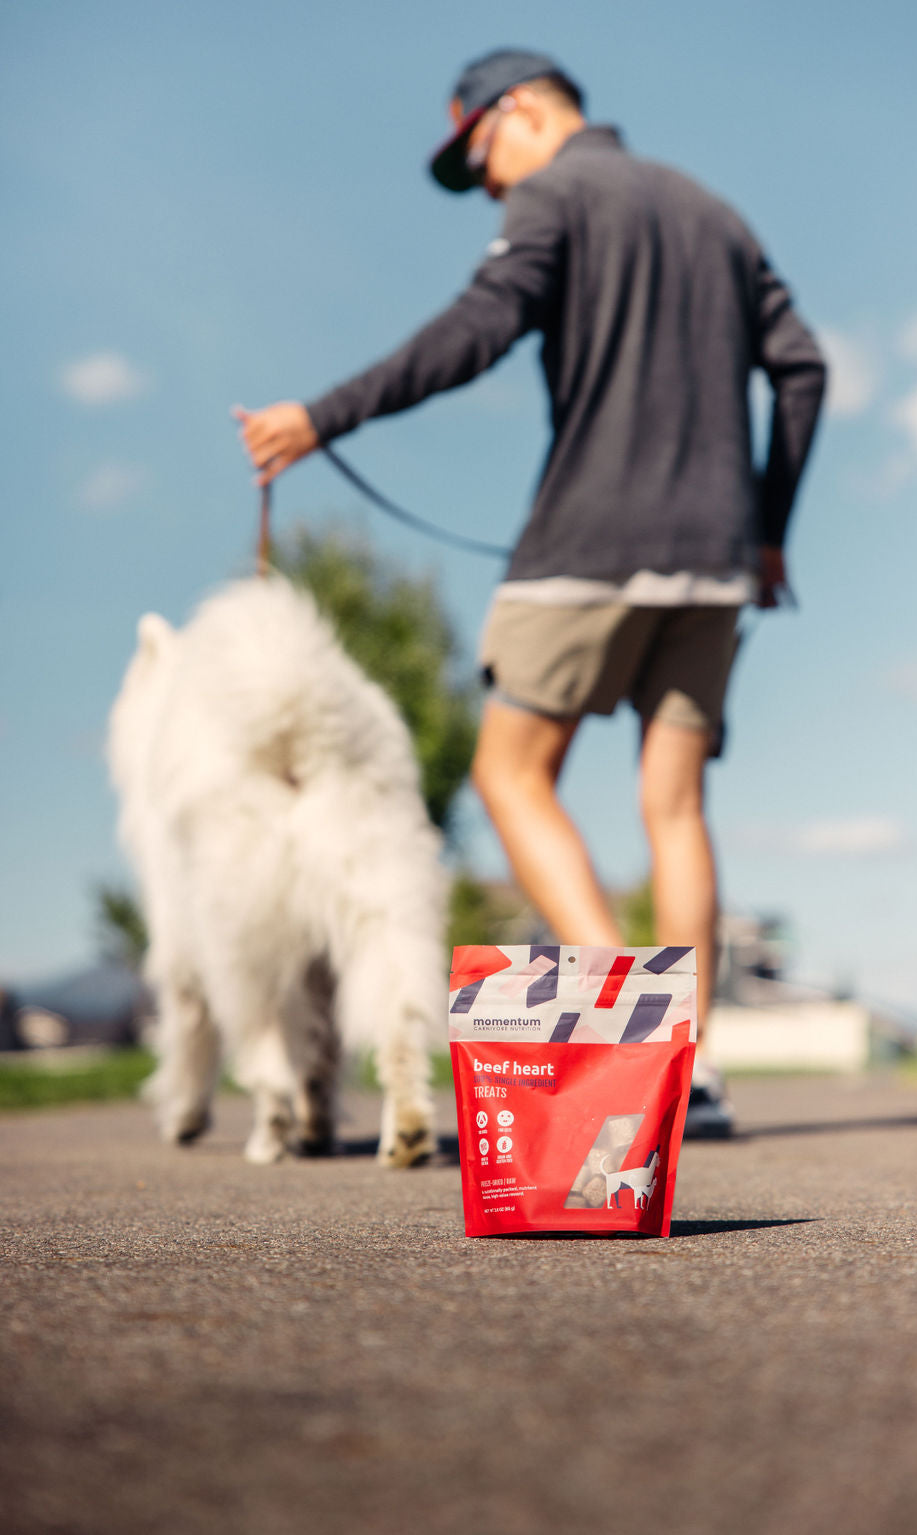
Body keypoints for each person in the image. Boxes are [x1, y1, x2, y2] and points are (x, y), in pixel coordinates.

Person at [235, 47, 827, 1135]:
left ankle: (639, 1030)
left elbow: (475, 331)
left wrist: (322, 415)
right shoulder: (716, 213)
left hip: (587, 546)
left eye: (480, 159)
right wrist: (770, 530)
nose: (488, 187)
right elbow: (803, 367)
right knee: (676, 805)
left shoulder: (555, 197)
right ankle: (691, 1072)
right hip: (716, 558)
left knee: (508, 774)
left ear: (520, 113)